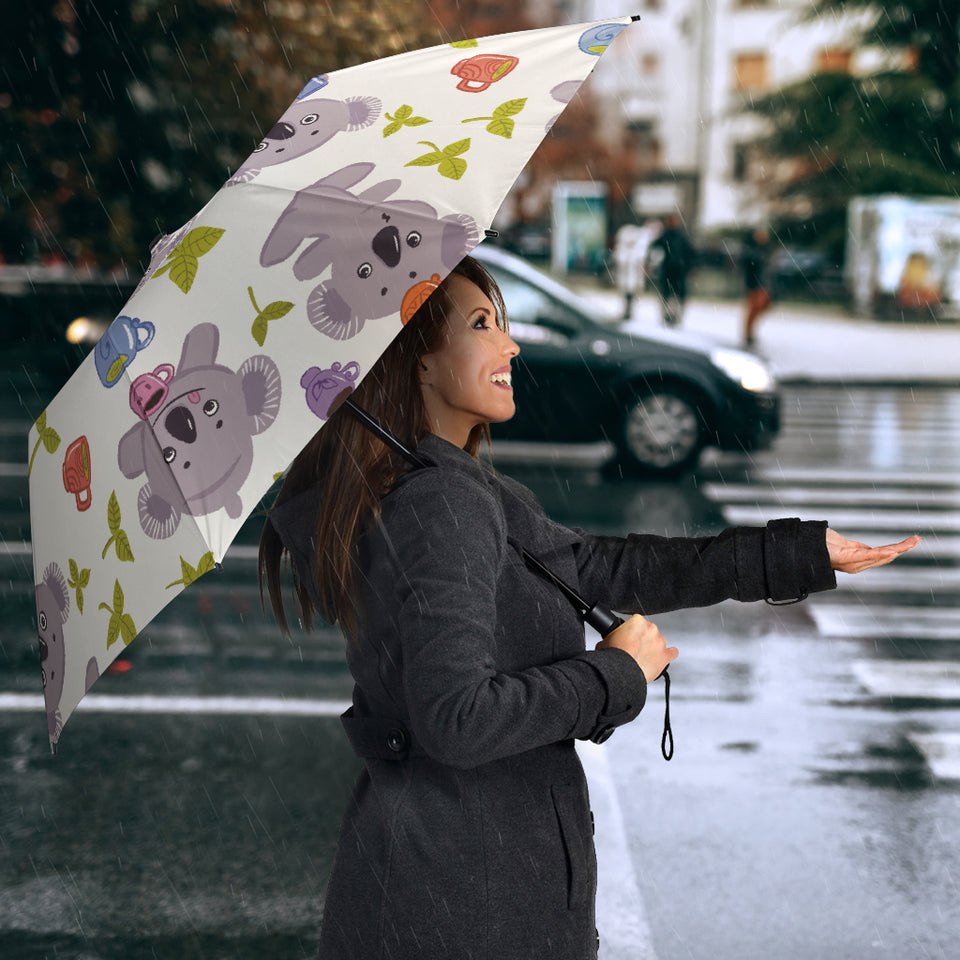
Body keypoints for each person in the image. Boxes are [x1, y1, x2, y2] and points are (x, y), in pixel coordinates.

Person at [259, 256, 919, 960]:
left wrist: (796, 554)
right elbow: (456, 720)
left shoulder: (452, 489)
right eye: (482, 325)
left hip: (453, 884)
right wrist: (613, 673)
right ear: (417, 362)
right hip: (466, 903)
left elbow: (604, 567)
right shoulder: (439, 504)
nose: (510, 345)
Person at [648, 213, 695, 327]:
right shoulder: (665, 236)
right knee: (667, 294)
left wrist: (690, 267)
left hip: (679, 271)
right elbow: (654, 249)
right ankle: (667, 315)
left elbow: (690, 253)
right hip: (668, 270)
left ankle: (675, 316)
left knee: (677, 295)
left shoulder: (681, 237)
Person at [741, 226, 772, 347]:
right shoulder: (750, 250)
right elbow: (750, 265)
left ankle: (750, 331)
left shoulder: (763, 249)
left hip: (763, 283)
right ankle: (748, 333)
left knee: (762, 306)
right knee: (754, 308)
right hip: (754, 284)